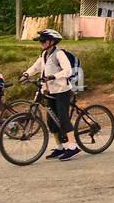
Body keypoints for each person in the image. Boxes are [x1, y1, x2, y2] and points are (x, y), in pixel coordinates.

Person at [20, 28, 79, 160]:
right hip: (49, 90)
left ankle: (73, 146)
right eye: (40, 41)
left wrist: (53, 76)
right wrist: (26, 74)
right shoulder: (44, 54)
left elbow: (68, 71)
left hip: (62, 90)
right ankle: (60, 147)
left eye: (43, 41)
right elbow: (36, 67)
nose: (41, 43)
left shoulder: (59, 54)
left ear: (52, 41)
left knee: (63, 117)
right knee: (51, 120)